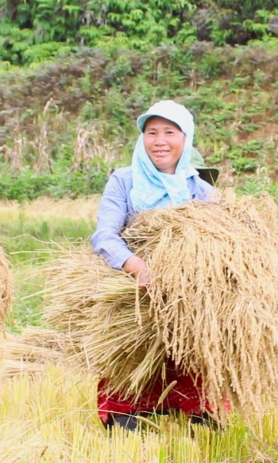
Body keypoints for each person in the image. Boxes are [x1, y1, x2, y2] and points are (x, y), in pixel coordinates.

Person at [89, 100, 218, 431]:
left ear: (185, 138)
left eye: (169, 132)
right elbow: (104, 236)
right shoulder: (124, 181)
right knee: (131, 382)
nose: (160, 141)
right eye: (151, 133)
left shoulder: (201, 191)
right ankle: (127, 415)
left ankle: (192, 414)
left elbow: (218, 245)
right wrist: (138, 267)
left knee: (191, 374)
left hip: (186, 299)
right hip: (132, 294)